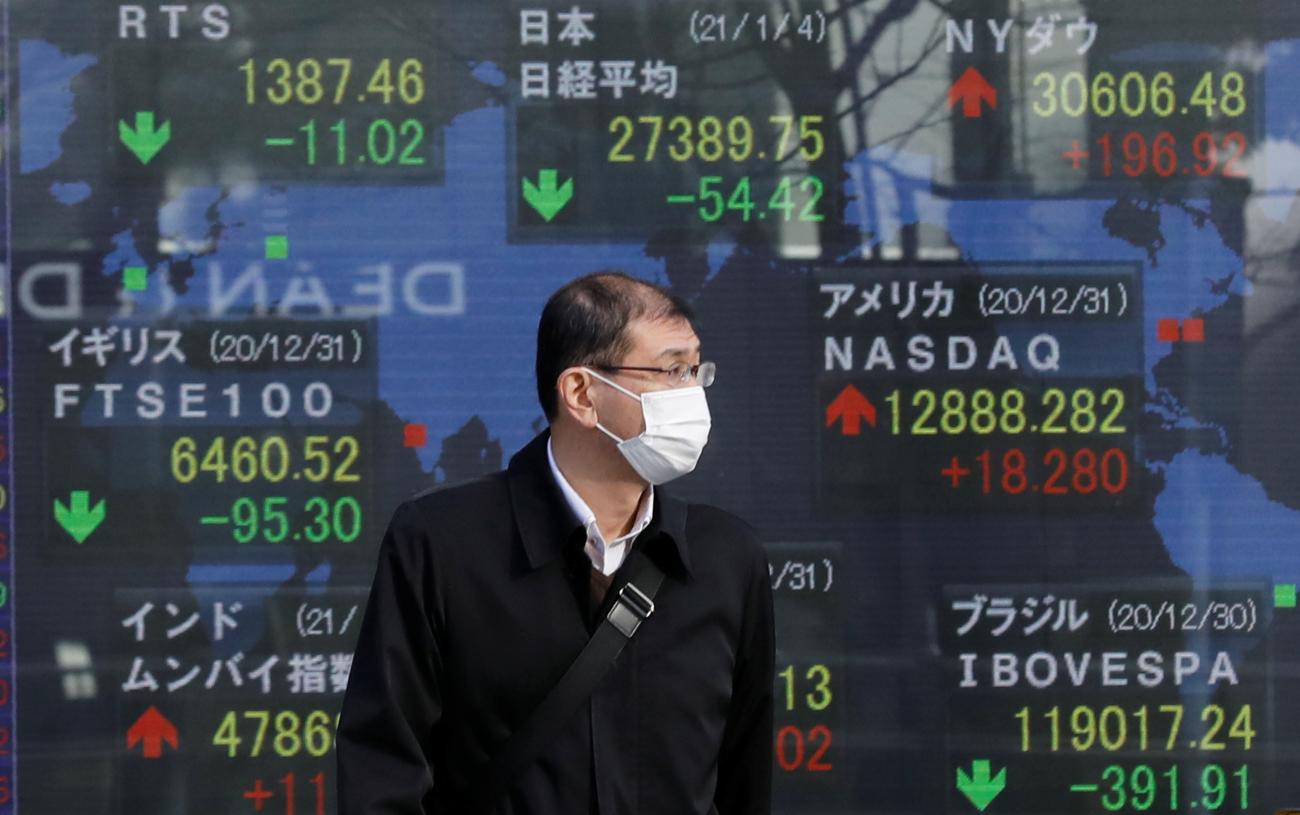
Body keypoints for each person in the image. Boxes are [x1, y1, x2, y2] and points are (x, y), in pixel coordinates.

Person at [337, 271, 775, 814]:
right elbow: (382, 772)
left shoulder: (726, 557)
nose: (691, 394)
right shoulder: (440, 543)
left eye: (695, 370)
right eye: (670, 370)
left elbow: (745, 779)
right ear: (581, 393)